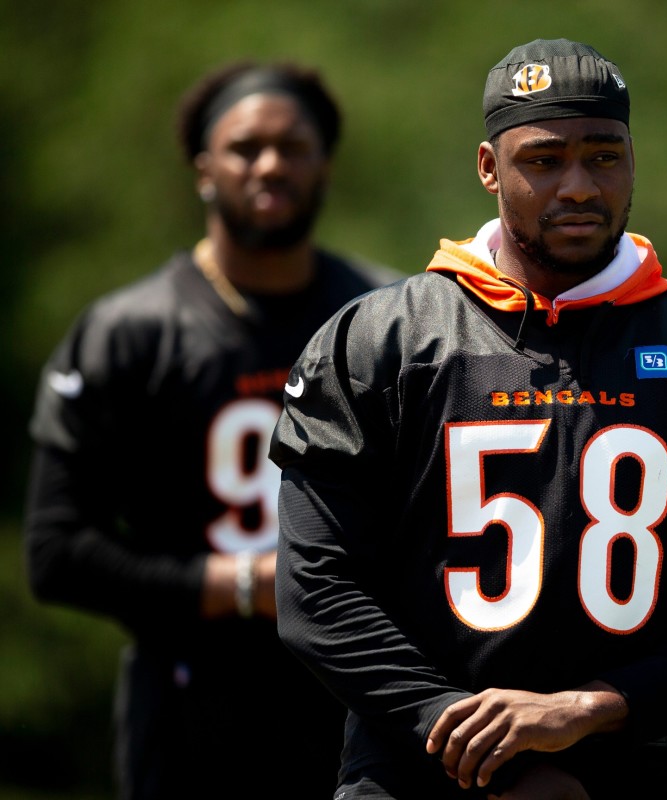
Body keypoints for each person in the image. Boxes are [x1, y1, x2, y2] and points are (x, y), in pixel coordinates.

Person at [268, 37, 667, 799]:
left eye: (603, 156)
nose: (580, 187)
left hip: (618, 777)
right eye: (544, 159)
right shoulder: (378, 343)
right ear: (489, 167)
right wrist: (463, 728)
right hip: (412, 774)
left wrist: (590, 711)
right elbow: (315, 592)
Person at [22, 60, 396, 799]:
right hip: (189, 710)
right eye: (245, 146)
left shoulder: (387, 319)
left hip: (354, 705)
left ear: (325, 165)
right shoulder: (129, 332)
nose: (270, 165)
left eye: (293, 147)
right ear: (203, 169)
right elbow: (57, 552)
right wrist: (253, 582)